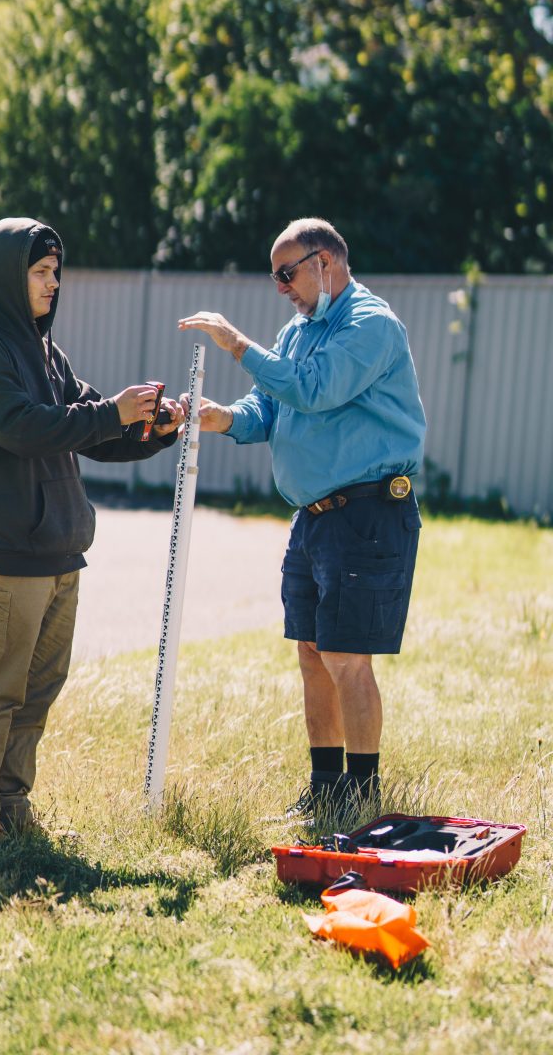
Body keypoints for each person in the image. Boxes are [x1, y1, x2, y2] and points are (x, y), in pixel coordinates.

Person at [0, 216, 182, 842]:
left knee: (39, 688)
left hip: (59, 551)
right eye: (41, 272)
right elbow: (26, 428)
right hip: (7, 554)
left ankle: (11, 804)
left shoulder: (46, 351)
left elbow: (92, 431)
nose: (53, 284)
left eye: (56, 272)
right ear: (6, 275)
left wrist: (151, 430)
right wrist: (110, 412)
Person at [178, 217, 426, 825]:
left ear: (325, 262)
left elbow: (312, 389)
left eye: (287, 274)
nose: (281, 288)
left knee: (346, 657)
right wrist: (218, 417)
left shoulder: (370, 325)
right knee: (313, 653)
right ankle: (325, 787)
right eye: (275, 277)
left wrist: (237, 344)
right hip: (314, 518)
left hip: (367, 511)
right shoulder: (296, 332)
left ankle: (362, 798)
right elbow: (267, 409)